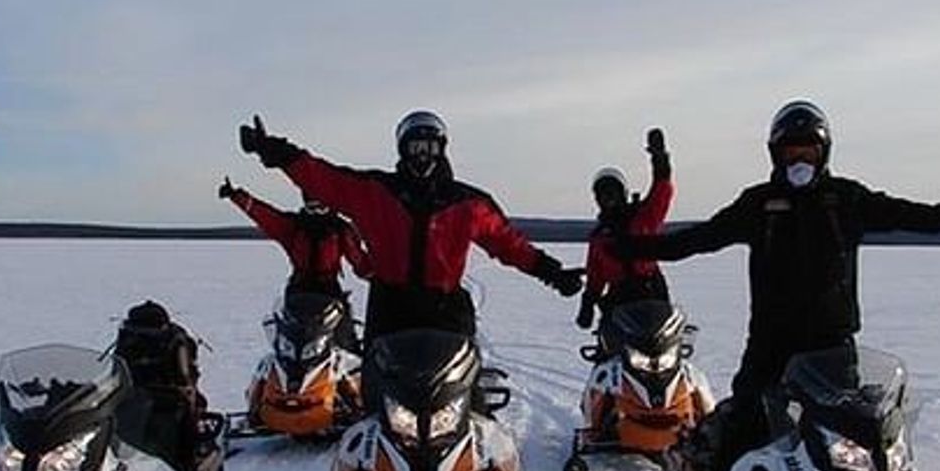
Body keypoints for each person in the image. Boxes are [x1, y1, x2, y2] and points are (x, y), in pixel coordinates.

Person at [617, 99, 940, 471]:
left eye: (808, 150)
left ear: (823, 152)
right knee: (743, 430)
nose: (800, 159)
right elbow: (697, 239)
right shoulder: (759, 204)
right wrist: (636, 247)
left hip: (833, 348)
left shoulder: (846, 200)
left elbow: (913, 215)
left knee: (851, 450)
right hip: (771, 344)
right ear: (777, 153)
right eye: (792, 151)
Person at [238, 110, 584, 343]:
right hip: (391, 308)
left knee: (466, 402)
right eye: (415, 147)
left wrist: (552, 273)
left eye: (429, 147)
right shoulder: (375, 191)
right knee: (377, 401)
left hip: (446, 310)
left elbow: (510, 245)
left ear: (441, 149)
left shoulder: (467, 203)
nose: (422, 155)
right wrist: (275, 151)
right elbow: (324, 178)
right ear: (403, 150)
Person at [218, 178, 371, 351]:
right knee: (291, 340)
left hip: (329, 292)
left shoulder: (340, 229)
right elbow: (266, 215)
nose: (316, 212)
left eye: (321, 207)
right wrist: (237, 196)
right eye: (312, 207)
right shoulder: (294, 226)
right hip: (299, 292)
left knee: (344, 340)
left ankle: (351, 363)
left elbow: (358, 258)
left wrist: (375, 275)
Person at [577, 126, 674, 335]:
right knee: (610, 352)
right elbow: (595, 276)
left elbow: (662, 192)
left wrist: (660, 159)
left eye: (612, 193)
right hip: (619, 303)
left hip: (652, 298)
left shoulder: (643, 217)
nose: (608, 199)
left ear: (622, 193)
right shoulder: (599, 238)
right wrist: (587, 304)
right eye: (603, 195)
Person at [113, 300, 216, 471]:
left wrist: (185, 395)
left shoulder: (175, 343)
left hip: (165, 401)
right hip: (137, 398)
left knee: (177, 440)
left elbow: (185, 378)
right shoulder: (134, 339)